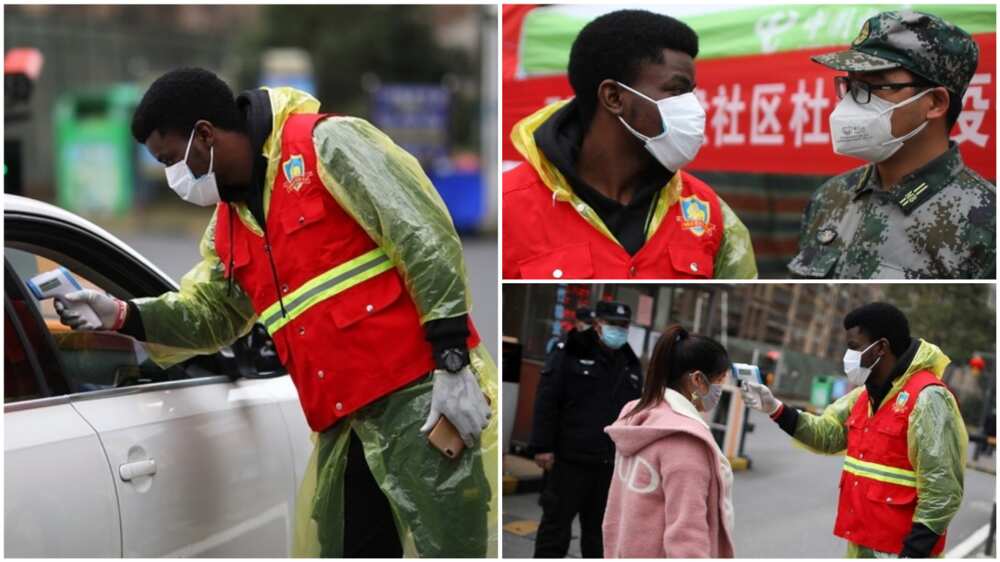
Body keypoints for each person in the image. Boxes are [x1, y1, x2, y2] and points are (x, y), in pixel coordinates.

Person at [53, 68, 496, 558]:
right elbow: (211, 315)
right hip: (343, 425)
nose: (172, 178)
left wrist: (452, 362)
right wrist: (120, 314)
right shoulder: (230, 226)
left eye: (171, 160)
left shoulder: (327, 146)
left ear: (205, 134)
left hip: (422, 402)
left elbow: (424, 238)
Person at [502, 9, 757, 280]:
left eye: (691, 93)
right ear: (613, 97)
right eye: (676, 91)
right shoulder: (512, 206)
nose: (694, 108)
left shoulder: (707, 213)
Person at [741, 303, 967, 557]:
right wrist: (776, 409)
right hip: (861, 546)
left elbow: (942, 491)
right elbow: (826, 435)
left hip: (901, 551)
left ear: (881, 347)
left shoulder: (928, 398)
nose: (847, 356)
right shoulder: (863, 397)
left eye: (853, 346)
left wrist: (911, 555)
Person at [789, 10, 995, 279]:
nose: (852, 102)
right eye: (850, 86)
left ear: (934, 103)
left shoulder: (986, 223)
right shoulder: (830, 197)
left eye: (874, 87)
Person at [603, 324, 735, 558]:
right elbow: (687, 534)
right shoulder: (686, 443)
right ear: (698, 380)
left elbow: (615, 511)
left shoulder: (637, 416)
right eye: (720, 380)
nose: (721, 389)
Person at [530, 301, 643, 557]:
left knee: (600, 535)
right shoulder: (570, 349)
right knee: (555, 530)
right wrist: (543, 447)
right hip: (568, 461)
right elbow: (547, 399)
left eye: (624, 325)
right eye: (614, 324)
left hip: (607, 465)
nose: (620, 330)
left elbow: (636, 412)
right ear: (598, 324)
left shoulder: (630, 362)